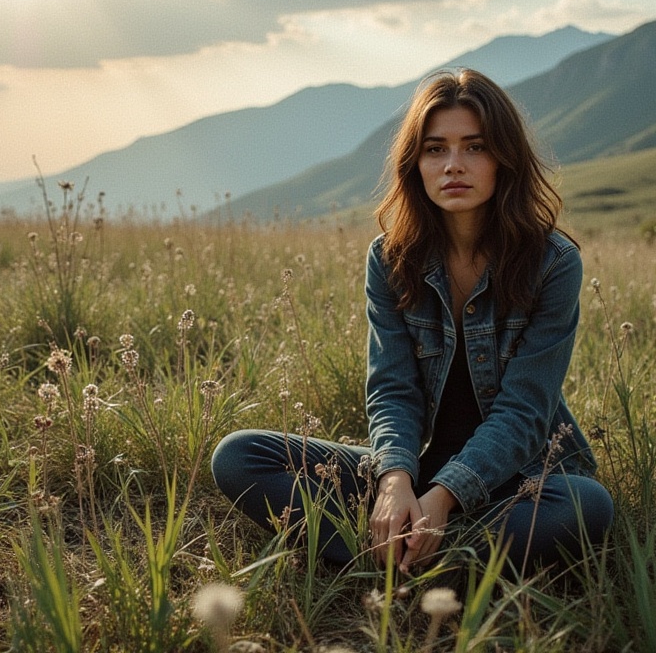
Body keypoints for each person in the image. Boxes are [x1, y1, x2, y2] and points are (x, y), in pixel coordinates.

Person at [210, 68, 612, 574]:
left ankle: (391, 553)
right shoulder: (392, 258)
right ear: (415, 163)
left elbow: (526, 412)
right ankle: (433, 555)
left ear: (504, 159)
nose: (454, 166)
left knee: (587, 506)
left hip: (519, 478)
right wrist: (396, 479)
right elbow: (393, 389)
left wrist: (445, 497)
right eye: (435, 149)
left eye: (476, 147)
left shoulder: (552, 263)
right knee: (239, 456)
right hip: (418, 466)